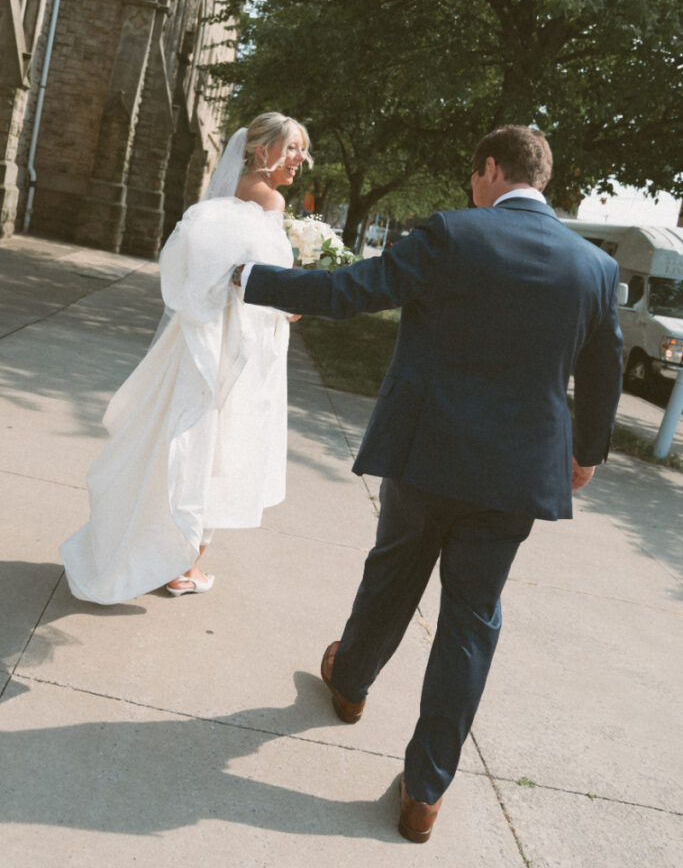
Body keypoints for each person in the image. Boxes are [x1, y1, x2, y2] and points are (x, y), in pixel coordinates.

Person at [237, 125, 623, 842]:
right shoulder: (595, 269)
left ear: (488, 169)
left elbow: (351, 292)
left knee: (395, 571)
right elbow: (604, 369)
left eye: (473, 175)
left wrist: (249, 278)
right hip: (514, 474)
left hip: (427, 451)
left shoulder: (451, 233)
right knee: (471, 620)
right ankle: (425, 792)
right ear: (539, 180)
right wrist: (586, 451)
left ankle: (349, 684)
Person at [60, 112, 311, 603]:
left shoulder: (227, 193)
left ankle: (166, 552)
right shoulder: (270, 199)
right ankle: (183, 565)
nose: (300, 159)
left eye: (303, 149)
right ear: (262, 150)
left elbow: (216, 269)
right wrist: (296, 307)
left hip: (202, 338)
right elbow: (268, 282)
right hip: (236, 346)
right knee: (215, 444)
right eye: (292, 148)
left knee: (186, 437)